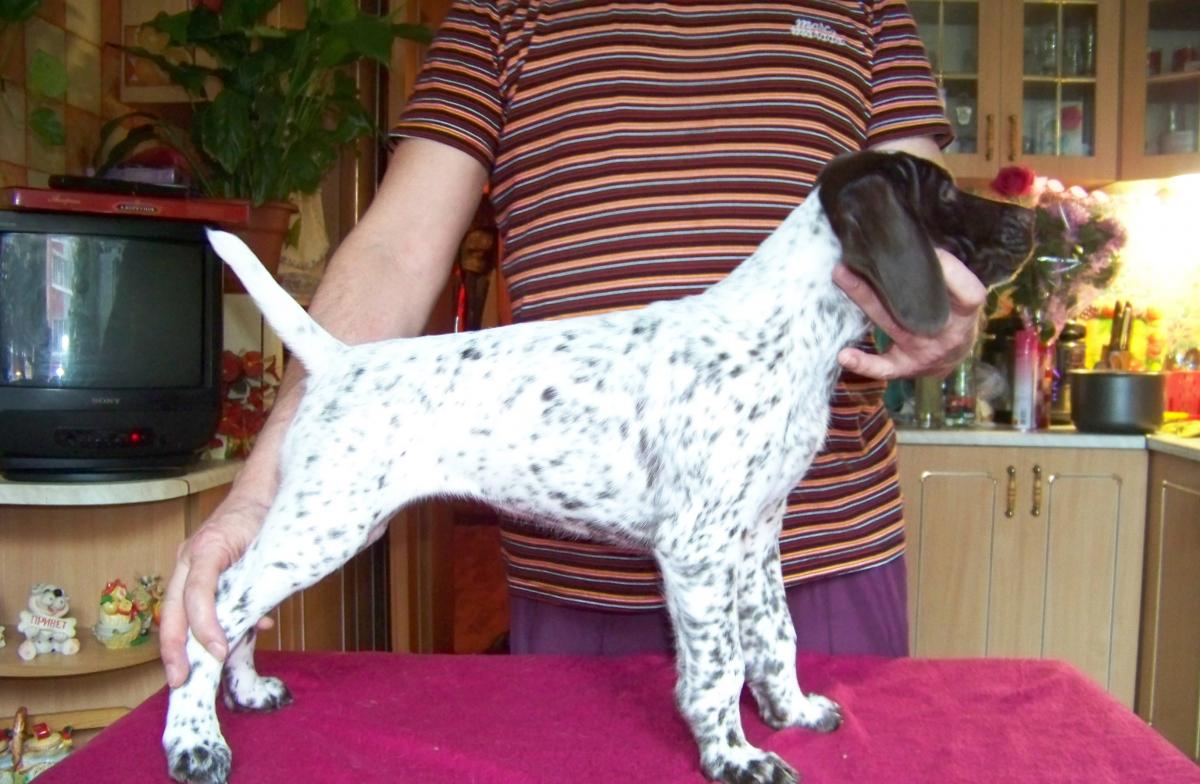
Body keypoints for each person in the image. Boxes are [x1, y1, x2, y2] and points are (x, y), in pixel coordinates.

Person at [161, 1, 985, 688]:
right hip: (579, 585)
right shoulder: (500, 11)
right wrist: (263, 493)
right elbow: (395, 251)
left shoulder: (868, 8)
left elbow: (923, 220)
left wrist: (944, 311)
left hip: (824, 553)